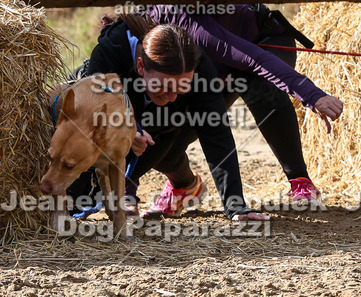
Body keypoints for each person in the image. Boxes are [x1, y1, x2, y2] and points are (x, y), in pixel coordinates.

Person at [129, 4, 343, 209]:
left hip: (262, 44)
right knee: (162, 140)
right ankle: (184, 186)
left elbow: (255, 60)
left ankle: (300, 181)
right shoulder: (133, 33)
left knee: (258, 85)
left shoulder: (191, 28)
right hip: (216, 67)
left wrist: (312, 96)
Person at [69, 14, 266, 221]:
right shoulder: (111, 50)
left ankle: (178, 186)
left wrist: (236, 207)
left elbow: (216, 132)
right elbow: (91, 112)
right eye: (165, 86)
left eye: (181, 88)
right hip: (97, 119)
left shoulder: (197, 66)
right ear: (141, 66)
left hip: (158, 128)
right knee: (73, 200)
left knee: (99, 191)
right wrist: (126, 129)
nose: (171, 96)